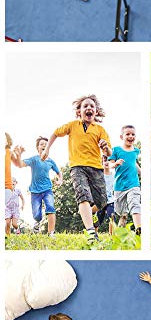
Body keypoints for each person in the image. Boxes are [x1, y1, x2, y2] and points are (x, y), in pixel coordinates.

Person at [41, 94, 111, 243]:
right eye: (85, 106)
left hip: (96, 168)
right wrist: (47, 149)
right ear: (79, 111)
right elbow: (55, 133)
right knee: (83, 196)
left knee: (102, 203)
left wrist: (106, 148)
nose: (89, 108)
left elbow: (109, 153)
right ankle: (91, 232)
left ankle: (86, 213)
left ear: (96, 111)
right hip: (77, 167)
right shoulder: (72, 125)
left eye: (92, 106)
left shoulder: (100, 130)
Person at [15, 137, 63, 236]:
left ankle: (51, 233)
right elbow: (20, 164)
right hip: (35, 191)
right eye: (42, 144)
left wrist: (60, 180)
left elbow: (59, 172)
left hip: (47, 189)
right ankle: (37, 223)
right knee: (37, 215)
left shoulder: (51, 161)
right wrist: (19, 154)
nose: (44, 145)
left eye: (46, 144)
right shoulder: (34, 159)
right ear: (38, 148)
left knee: (51, 208)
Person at [108, 125, 141, 235]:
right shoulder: (116, 150)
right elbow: (109, 164)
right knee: (121, 212)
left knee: (135, 203)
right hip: (119, 186)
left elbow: (134, 163)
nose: (131, 136)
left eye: (133, 134)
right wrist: (115, 163)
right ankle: (121, 231)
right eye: (128, 134)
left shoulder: (136, 151)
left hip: (133, 184)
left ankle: (139, 228)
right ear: (121, 136)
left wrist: (142, 172)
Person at [94, 154, 115, 235]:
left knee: (111, 216)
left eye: (108, 160)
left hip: (110, 200)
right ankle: (94, 234)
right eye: (104, 160)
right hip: (101, 201)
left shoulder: (114, 175)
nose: (106, 162)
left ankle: (111, 235)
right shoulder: (99, 175)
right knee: (99, 219)